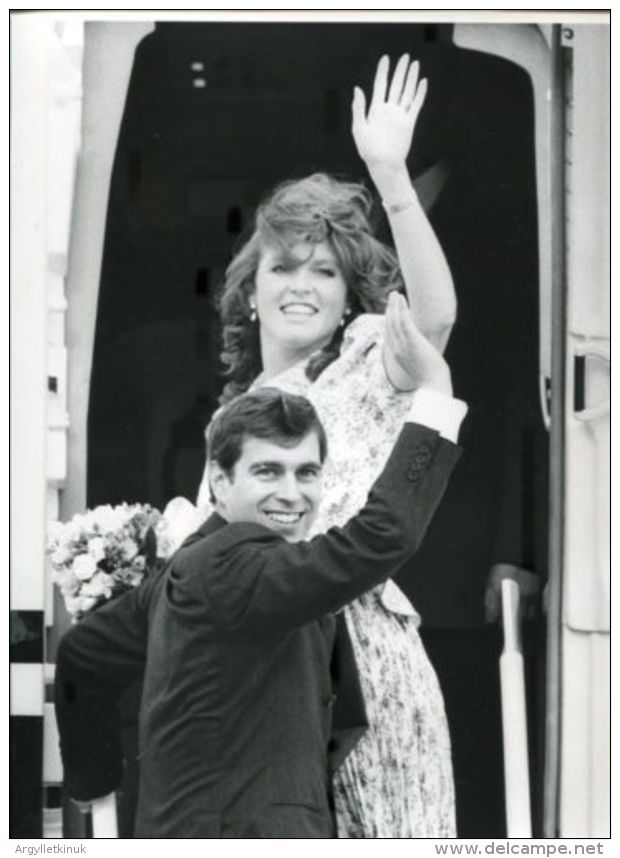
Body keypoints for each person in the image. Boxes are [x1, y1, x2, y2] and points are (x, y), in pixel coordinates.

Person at [55, 318, 467, 836]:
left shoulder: (184, 573)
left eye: (307, 472)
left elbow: (82, 655)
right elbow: (382, 537)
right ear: (220, 483)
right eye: (268, 471)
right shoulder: (229, 567)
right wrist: (437, 399)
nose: (293, 494)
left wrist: (94, 778)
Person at [193, 53, 457, 837]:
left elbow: (435, 317)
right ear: (251, 289)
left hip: (366, 661)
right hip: (265, 677)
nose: (302, 283)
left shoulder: (366, 356)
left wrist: (391, 175)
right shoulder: (231, 415)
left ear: (348, 300)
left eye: (324, 271)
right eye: (283, 266)